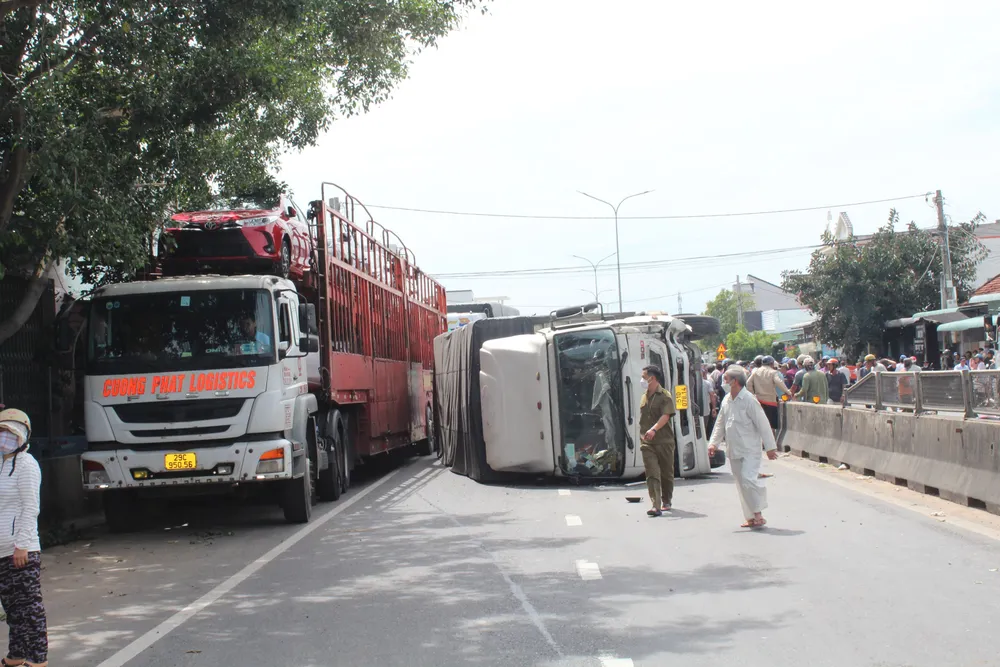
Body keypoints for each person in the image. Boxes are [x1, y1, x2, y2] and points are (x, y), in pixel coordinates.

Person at [0, 408, 47, 667]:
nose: (4, 437)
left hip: (21, 549)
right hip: (1, 549)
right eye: (1, 431)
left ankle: (38, 659)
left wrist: (22, 546)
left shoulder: (27, 465)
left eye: (9, 432)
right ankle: (17, 655)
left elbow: (31, 508)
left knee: (30, 608)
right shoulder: (0, 464)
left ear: (22, 436)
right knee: (12, 609)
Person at [708, 367, 779, 528]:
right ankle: (751, 517)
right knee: (741, 484)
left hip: (750, 449)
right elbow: (720, 423)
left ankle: (758, 513)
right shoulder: (727, 400)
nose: (723, 382)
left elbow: (763, 423)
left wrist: (770, 447)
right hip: (734, 448)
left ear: (735, 382)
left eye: (726, 379)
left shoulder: (749, 400)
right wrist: (713, 443)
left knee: (748, 479)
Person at [638, 365, 676, 517]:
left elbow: (666, 416)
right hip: (647, 442)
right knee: (652, 473)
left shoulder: (665, 396)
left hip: (664, 441)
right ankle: (655, 505)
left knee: (666, 473)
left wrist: (654, 429)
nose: (642, 380)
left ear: (652, 378)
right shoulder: (644, 396)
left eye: (644, 377)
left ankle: (666, 500)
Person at [746, 355, 790, 434]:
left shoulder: (756, 372)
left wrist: (752, 395)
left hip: (759, 400)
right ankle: (771, 440)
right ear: (772, 363)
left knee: (761, 423)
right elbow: (779, 382)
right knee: (771, 425)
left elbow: (748, 383)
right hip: (770, 401)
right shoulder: (773, 372)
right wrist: (788, 392)